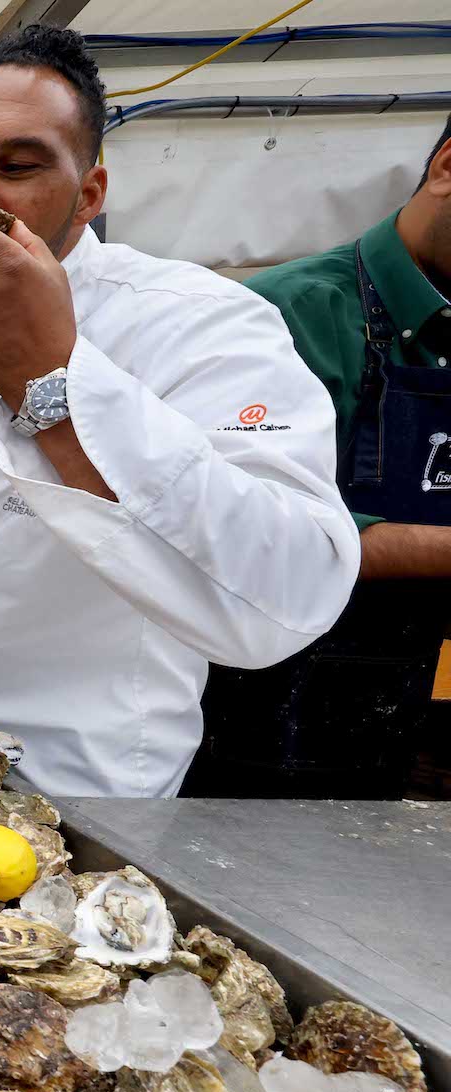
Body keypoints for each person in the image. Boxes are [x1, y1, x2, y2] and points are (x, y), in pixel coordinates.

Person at [0, 25, 360, 798]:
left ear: (89, 195)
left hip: (79, 793)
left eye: (17, 166)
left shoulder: (202, 322)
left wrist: (46, 382)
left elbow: (289, 599)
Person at [188, 116, 451, 799]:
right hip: (252, 731)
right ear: (447, 167)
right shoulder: (292, 312)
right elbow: (249, 537)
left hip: (394, 727)